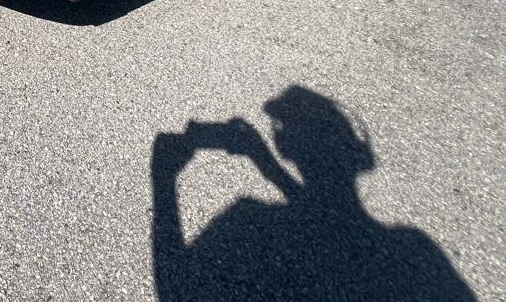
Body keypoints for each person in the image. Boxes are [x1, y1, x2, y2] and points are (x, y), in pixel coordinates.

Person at [151, 86, 476, 301]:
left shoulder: (245, 219)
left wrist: (162, 177)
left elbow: (173, 285)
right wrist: (264, 161)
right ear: (359, 153)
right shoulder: (415, 250)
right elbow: (330, 219)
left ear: (285, 146)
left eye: (280, 127)